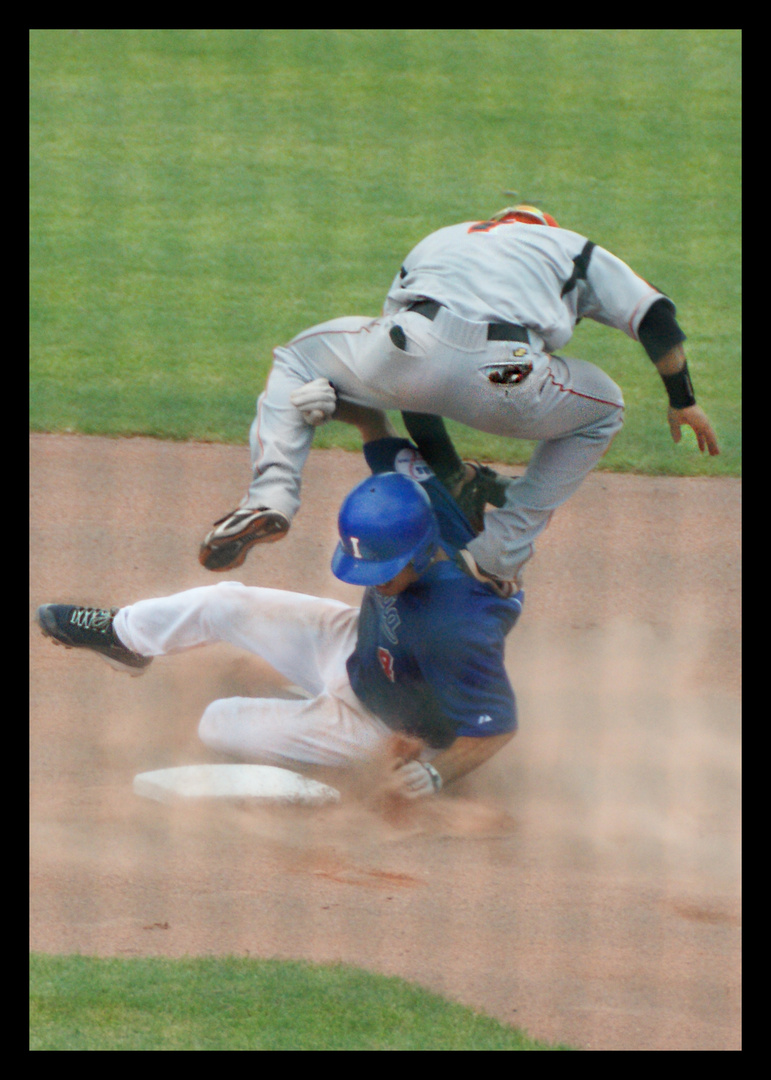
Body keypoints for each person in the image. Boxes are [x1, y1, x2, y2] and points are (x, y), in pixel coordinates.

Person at [199, 203, 720, 590]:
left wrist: (443, 468)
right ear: (542, 230)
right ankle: (500, 554)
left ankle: (270, 498)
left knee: (297, 360)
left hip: (404, 348)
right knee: (602, 409)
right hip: (505, 375)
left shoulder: (443, 240)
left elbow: (419, 386)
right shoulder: (570, 249)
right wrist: (682, 398)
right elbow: (655, 317)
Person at [35, 407, 523, 801]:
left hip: (379, 724)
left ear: (419, 551)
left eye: (381, 570)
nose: (370, 578)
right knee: (225, 605)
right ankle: (125, 637)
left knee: (217, 723)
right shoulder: (418, 503)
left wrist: (437, 776)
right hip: (353, 643)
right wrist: (337, 405)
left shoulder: (459, 626)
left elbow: (496, 728)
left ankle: (328, 754)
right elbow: (378, 423)